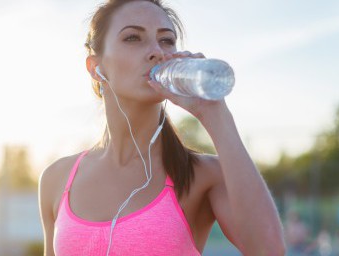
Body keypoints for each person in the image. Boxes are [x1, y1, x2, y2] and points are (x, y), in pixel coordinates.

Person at [38, 0, 285, 255]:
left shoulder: (202, 175)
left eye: (166, 40)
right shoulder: (57, 179)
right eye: (133, 38)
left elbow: (269, 250)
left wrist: (215, 113)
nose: (157, 51)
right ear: (96, 68)